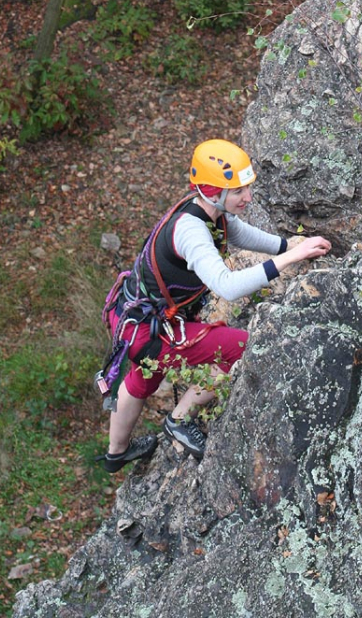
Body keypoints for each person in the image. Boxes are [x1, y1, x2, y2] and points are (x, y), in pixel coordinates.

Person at [96, 138, 331, 472]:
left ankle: (115, 454)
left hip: (138, 325)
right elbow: (227, 286)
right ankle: (179, 419)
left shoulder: (207, 209)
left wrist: (288, 245)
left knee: (142, 379)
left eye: (246, 188)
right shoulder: (191, 231)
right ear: (212, 190)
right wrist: (291, 257)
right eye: (237, 191)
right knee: (241, 348)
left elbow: (239, 234)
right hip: (153, 331)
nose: (247, 197)